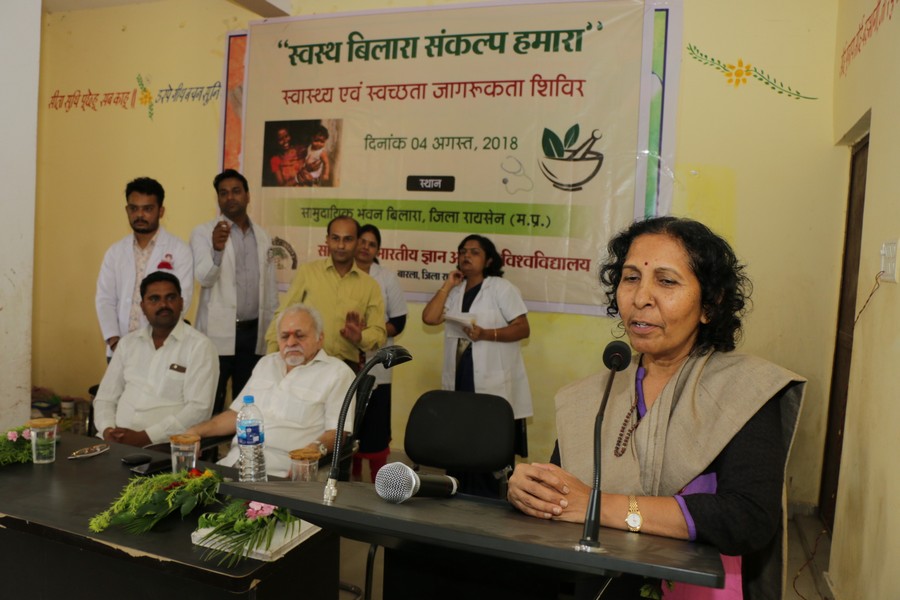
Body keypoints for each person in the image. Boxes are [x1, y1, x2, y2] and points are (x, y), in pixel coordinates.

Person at [507, 216, 806, 599]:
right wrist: (530, 491)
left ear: (710, 304)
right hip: (601, 585)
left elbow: (746, 518)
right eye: (631, 278)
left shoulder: (743, 389)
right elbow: (564, 497)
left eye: (666, 281)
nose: (641, 297)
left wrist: (598, 506)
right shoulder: (593, 396)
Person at [186, 304, 355, 478]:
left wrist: (312, 451)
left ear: (320, 338)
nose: (291, 343)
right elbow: (236, 415)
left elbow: (338, 432)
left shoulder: (337, 373)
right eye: (284, 336)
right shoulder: (266, 364)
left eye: (299, 335)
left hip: (283, 476)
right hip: (233, 466)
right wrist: (196, 431)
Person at [422, 234, 533, 497]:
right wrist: (448, 285)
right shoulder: (456, 290)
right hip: (461, 376)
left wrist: (486, 334)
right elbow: (430, 318)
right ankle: (456, 495)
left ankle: (488, 501)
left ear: (489, 260)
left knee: (487, 445)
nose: (466, 256)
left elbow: (523, 328)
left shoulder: (500, 288)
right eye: (462, 252)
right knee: (458, 443)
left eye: (474, 252)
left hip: (491, 381)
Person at [93, 271, 218, 447]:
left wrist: (146, 437)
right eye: (154, 299)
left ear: (181, 303)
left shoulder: (200, 347)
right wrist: (107, 430)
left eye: (170, 298)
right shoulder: (128, 344)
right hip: (114, 441)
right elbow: (105, 398)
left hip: (163, 446)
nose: (163, 305)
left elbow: (199, 410)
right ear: (143, 307)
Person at [190, 169, 278, 415]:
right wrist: (217, 250)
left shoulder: (263, 235)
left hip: (254, 334)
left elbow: (270, 288)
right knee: (210, 403)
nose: (230, 197)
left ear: (248, 196)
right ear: (218, 198)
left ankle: (239, 441)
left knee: (247, 405)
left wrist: (272, 330)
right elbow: (204, 278)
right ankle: (206, 443)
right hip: (217, 334)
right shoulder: (203, 232)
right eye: (223, 193)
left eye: (236, 191)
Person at [264, 215, 386, 372]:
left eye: (348, 239)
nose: (341, 245)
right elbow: (282, 316)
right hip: (306, 365)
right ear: (327, 240)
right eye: (335, 238)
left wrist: (359, 337)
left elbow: (379, 334)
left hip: (346, 369)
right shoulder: (308, 272)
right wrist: (271, 362)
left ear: (357, 242)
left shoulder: (370, 285)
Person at [96, 177, 194, 360]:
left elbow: (182, 299)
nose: (140, 215)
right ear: (127, 210)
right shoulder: (115, 252)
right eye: (134, 208)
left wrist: (155, 344)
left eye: (147, 209)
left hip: (160, 349)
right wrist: (115, 341)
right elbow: (104, 299)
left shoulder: (180, 250)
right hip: (119, 350)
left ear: (161, 211)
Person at [351, 224, 408, 481]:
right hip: (344, 358)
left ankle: (377, 480)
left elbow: (399, 321)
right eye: (362, 241)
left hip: (377, 361)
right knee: (348, 422)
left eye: (371, 244)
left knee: (375, 424)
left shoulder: (386, 278)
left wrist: (369, 332)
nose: (365, 247)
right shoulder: (342, 274)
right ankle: (350, 478)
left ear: (378, 250)